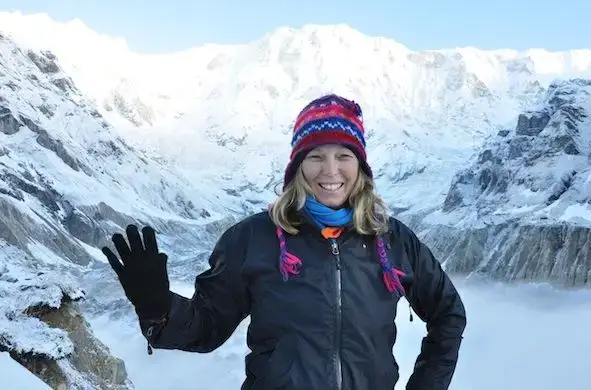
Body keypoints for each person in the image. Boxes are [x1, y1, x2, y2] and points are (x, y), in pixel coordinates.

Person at [102, 93, 467, 390]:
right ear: (297, 167)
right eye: (315, 156)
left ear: (360, 166)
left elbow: (448, 314)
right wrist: (157, 308)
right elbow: (206, 328)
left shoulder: (393, 240)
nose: (330, 170)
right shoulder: (252, 239)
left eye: (343, 155)